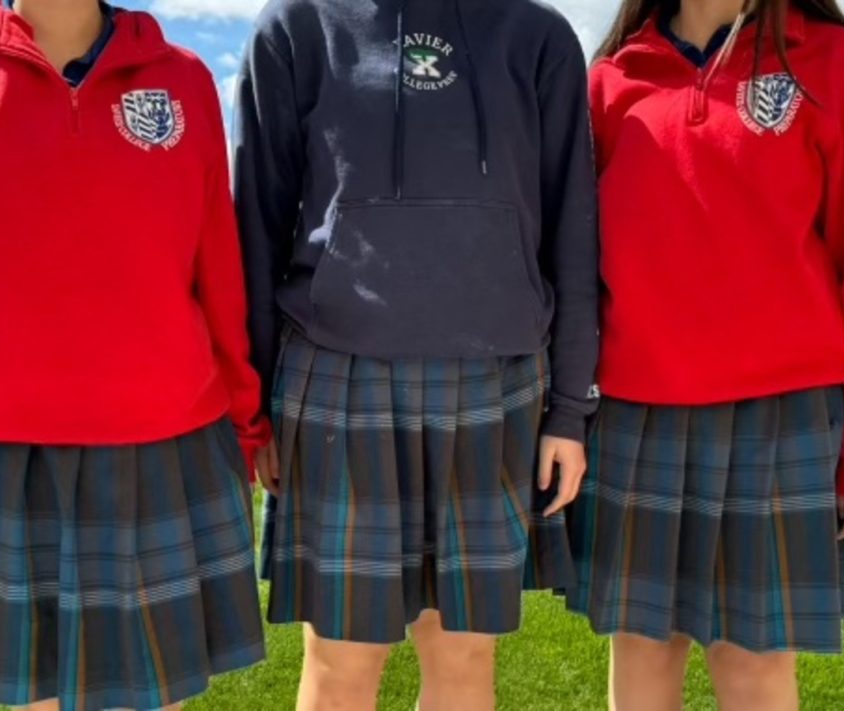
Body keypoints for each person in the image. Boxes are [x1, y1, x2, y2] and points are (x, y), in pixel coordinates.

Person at [0, 0, 271, 708]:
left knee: (156, 697)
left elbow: (217, 273)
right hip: (6, 456)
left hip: (170, 445)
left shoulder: (183, 77)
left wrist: (244, 429)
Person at [235, 0, 600, 708]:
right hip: (336, 374)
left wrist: (570, 408)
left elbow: (574, 231)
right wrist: (254, 405)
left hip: (498, 379)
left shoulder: (539, 36)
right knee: (341, 655)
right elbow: (255, 223)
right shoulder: (299, 27)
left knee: (463, 650)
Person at [565, 0, 844, 709]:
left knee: (752, 665)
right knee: (641, 654)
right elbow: (576, 268)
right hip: (635, 417)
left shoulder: (832, 62)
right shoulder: (611, 78)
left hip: (782, 421)